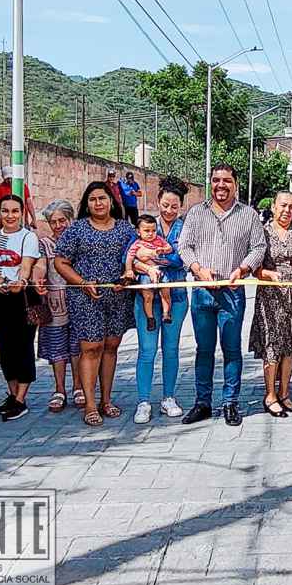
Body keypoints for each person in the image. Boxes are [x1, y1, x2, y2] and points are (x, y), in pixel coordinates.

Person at [179, 163, 266, 427]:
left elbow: (258, 248)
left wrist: (242, 269)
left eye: (226, 180)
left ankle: (230, 402)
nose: (221, 185)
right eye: (216, 180)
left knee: (231, 349)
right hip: (202, 293)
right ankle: (202, 403)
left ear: (235, 184)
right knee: (203, 350)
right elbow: (184, 246)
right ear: (210, 183)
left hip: (232, 292)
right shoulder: (196, 213)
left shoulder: (248, 215)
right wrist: (198, 269)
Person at [53, 181, 136, 426]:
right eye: (92, 199)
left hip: (118, 297)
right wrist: (82, 282)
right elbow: (61, 262)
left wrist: (128, 278)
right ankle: (89, 404)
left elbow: (135, 257)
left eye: (102, 198)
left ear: (111, 201)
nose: (98, 203)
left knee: (111, 347)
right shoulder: (77, 229)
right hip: (85, 297)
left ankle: (106, 400)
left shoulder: (126, 230)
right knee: (91, 348)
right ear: (86, 204)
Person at [249, 191, 292, 418]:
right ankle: (270, 395)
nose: (287, 210)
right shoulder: (262, 232)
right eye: (283, 206)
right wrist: (268, 274)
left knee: (291, 345)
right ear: (274, 207)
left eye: (291, 206)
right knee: (271, 344)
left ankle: (285, 393)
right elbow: (254, 266)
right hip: (270, 294)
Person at [128, 181, 189, 424]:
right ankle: (143, 401)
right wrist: (143, 263)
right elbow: (129, 256)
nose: (169, 210)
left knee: (171, 350)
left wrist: (151, 256)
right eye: (165, 205)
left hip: (176, 296)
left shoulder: (185, 229)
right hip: (146, 295)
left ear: (181, 206)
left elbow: (181, 258)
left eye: (174, 206)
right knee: (147, 350)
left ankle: (168, 397)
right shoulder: (146, 225)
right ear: (157, 202)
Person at [0, 195, 41, 422]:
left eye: (15, 211)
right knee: (4, 348)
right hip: (0, 297)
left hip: (23, 297)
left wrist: (21, 281)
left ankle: (21, 399)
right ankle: (12, 393)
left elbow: (26, 264)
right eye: (5, 211)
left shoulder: (28, 237)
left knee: (23, 346)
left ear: (22, 212)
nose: (10, 216)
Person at [35, 200, 85, 413]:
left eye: (62, 220)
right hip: (54, 302)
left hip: (79, 299)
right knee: (57, 346)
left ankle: (78, 386)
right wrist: (38, 277)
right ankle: (59, 389)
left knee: (77, 345)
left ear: (70, 219)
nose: (58, 225)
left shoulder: (80, 240)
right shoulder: (45, 244)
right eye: (53, 222)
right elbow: (40, 264)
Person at [125, 215, 175, 332]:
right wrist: (129, 270)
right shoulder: (137, 244)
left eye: (153, 230)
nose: (150, 233)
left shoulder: (159, 239)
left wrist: (163, 250)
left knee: (166, 292)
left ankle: (166, 313)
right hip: (145, 274)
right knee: (148, 297)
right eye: (146, 231)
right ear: (138, 231)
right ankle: (150, 318)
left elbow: (170, 248)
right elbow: (129, 258)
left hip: (161, 271)